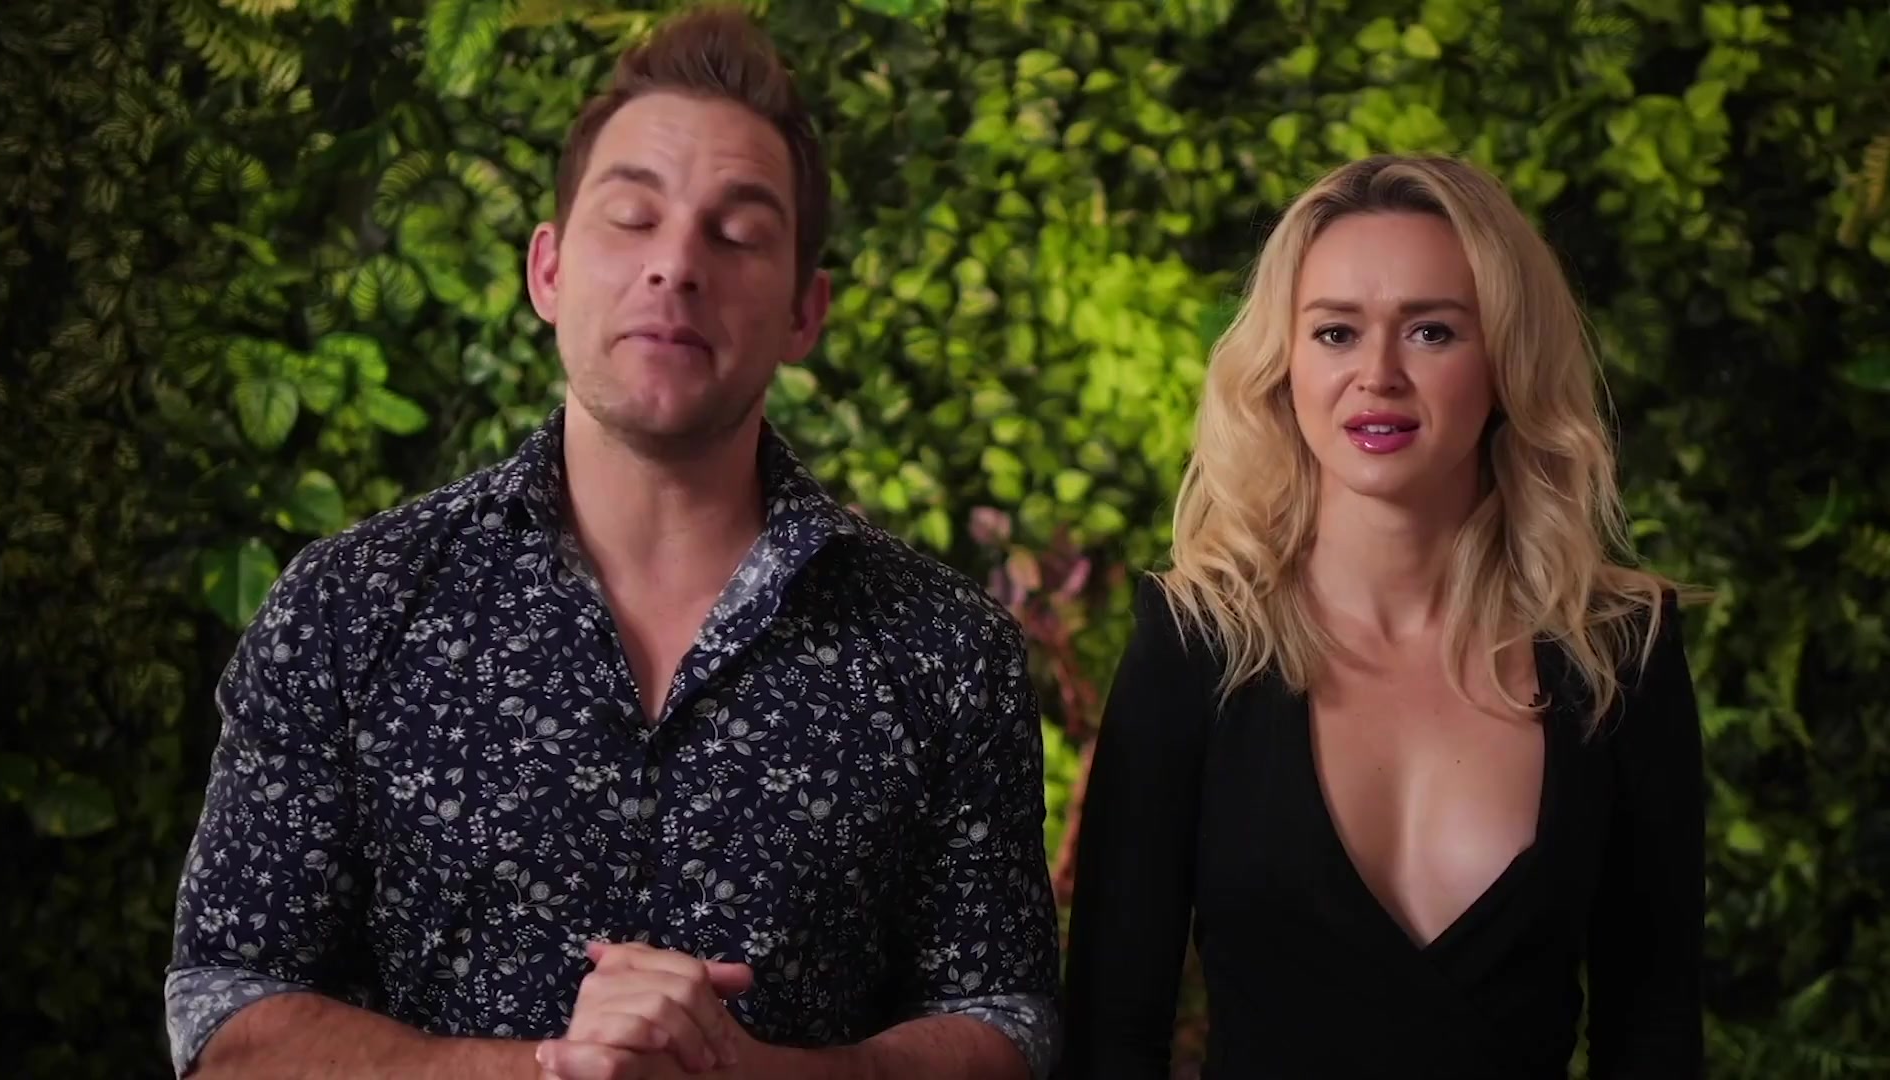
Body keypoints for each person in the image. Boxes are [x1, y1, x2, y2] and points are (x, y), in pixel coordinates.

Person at [164, 7, 1060, 1079]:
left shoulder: (945, 651)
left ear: (804, 312)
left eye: (738, 235)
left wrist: (756, 1075)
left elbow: (1005, 1021)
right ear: (547, 270)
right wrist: (552, 1068)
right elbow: (228, 1015)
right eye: (632, 218)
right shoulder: (349, 607)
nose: (675, 264)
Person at [1057, 154, 1704, 1079]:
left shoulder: (1619, 651)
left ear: (1506, 359)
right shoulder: (1195, 639)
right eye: (1335, 332)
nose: (1378, 375)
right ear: (1283, 363)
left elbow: (1655, 1036)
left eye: (1432, 331)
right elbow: (1111, 1036)